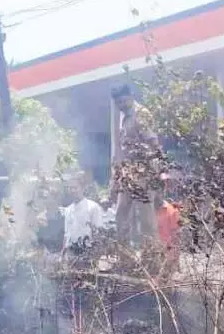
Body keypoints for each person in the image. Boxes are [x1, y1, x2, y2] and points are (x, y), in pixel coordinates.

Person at [109, 85, 162, 247]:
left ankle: (153, 258)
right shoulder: (124, 117)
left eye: (124, 101)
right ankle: (125, 257)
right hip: (128, 172)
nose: (122, 105)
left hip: (143, 172)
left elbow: (153, 143)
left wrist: (153, 173)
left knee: (146, 220)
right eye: (119, 103)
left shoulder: (141, 114)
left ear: (131, 96)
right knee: (121, 214)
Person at [62, 176, 105, 257]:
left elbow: (98, 232)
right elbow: (66, 234)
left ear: (82, 188)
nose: (73, 191)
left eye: (75, 187)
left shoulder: (93, 207)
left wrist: (97, 254)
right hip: (71, 253)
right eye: (70, 188)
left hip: (88, 252)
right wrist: (62, 254)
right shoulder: (68, 210)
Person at [156, 175, 181, 278]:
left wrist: (171, 264)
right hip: (147, 259)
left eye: (158, 190)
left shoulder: (172, 212)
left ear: (163, 191)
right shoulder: (141, 211)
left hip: (165, 260)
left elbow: (176, 240)